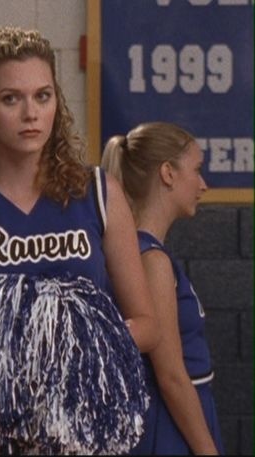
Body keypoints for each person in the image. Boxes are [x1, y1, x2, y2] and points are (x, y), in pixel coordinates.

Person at [0, 26, 158, 455]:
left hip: (86, 427)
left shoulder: (99, 193)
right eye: (11, 99)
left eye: (42, 96)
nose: (31, 113)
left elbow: (146, 323)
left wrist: (70, 349)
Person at [101, 121, 224, 455]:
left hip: (180, 415)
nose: (203, 184)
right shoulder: (150, 259)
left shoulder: (145, 252)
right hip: (167, 424)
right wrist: (206, 449)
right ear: (167, 173)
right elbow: (170, 375)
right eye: (196, 170)